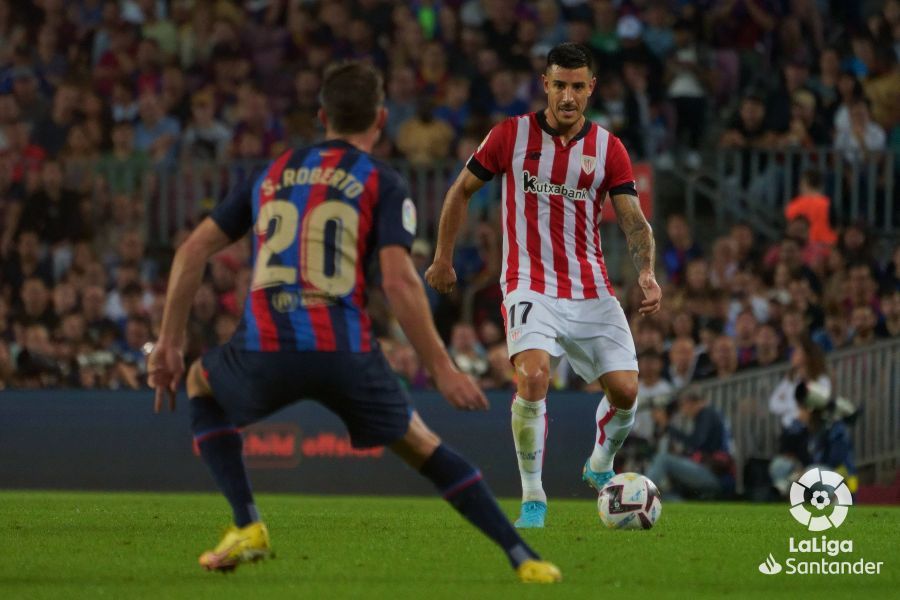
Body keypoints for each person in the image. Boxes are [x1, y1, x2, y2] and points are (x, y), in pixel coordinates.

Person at [147, 61, 560, 583]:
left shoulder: (269, 172)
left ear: (322, 116)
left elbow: (191, 252)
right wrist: (441, 368)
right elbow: (399, 280)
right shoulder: (383, 181)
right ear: (382, 118)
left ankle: (247, 523)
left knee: (198, 380)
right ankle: (524, 558)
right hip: (343, 349)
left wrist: (168, 343)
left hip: (266, 343)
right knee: (423, 447)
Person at [426, 43, 661, 528]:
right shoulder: (510, 136)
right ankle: (533, 498)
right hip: (528, 282)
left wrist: (645, 272)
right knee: (533, 378)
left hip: (591, 287)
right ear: (546, 85)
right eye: (560, 85)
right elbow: (461, 191)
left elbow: (633, 221)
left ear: (591, 88)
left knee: (626, 391)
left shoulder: (608, 148)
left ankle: (599, 466)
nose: (568, 96)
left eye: (578, 86)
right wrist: (442, 258)